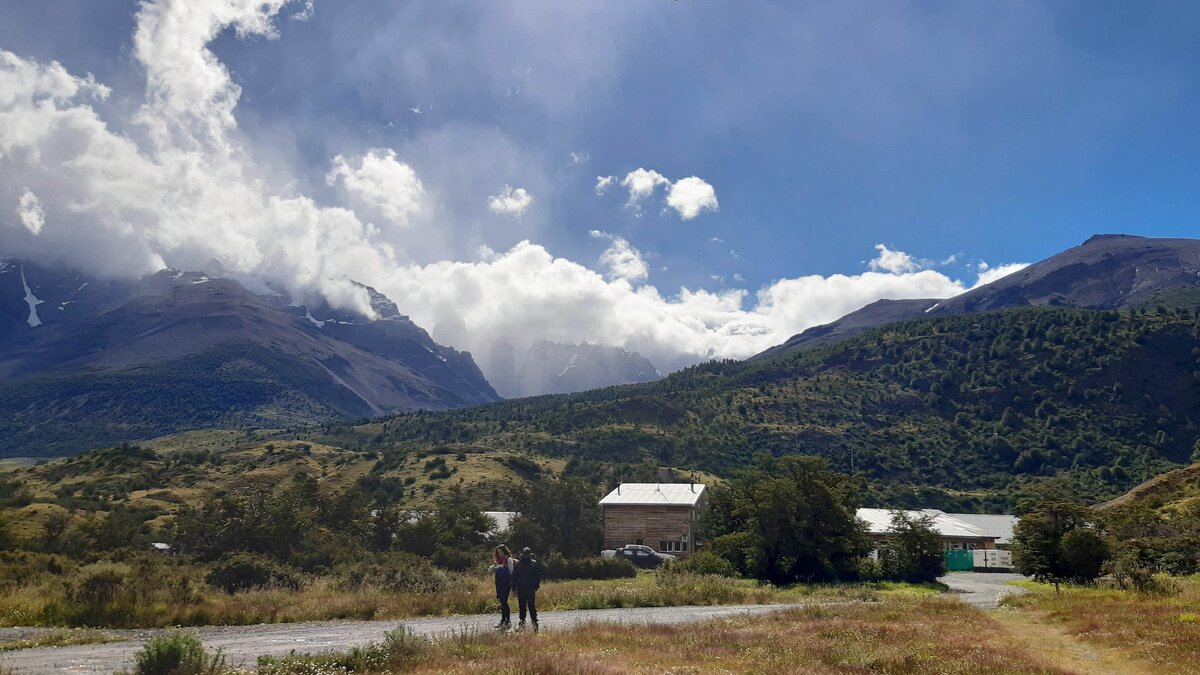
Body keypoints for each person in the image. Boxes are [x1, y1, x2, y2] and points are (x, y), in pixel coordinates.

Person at [513, 546, 541, 631]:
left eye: (528, 553)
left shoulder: (533, 563)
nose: (526, 555)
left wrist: (536, 585)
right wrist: (514, 589)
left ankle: (534, 619)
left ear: (530, 554)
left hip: (530, 587)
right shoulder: (518, 564)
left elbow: (537, 575)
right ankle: (522, 619)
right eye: (525, 553)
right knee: (522, 605)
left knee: (531, 605)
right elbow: (514, 576)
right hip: (521, 587)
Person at [491, 544, 514, 629]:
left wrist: (512, 586)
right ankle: (503, 620)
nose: (499, 554)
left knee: (504, 601)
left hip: (506, 584)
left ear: (505, 551)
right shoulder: (499, 561)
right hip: (499, 584)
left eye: (500, 552)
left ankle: (507, 621)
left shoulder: (509, 560)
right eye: (498, 552)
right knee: (502, 602)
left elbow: (511, 572)